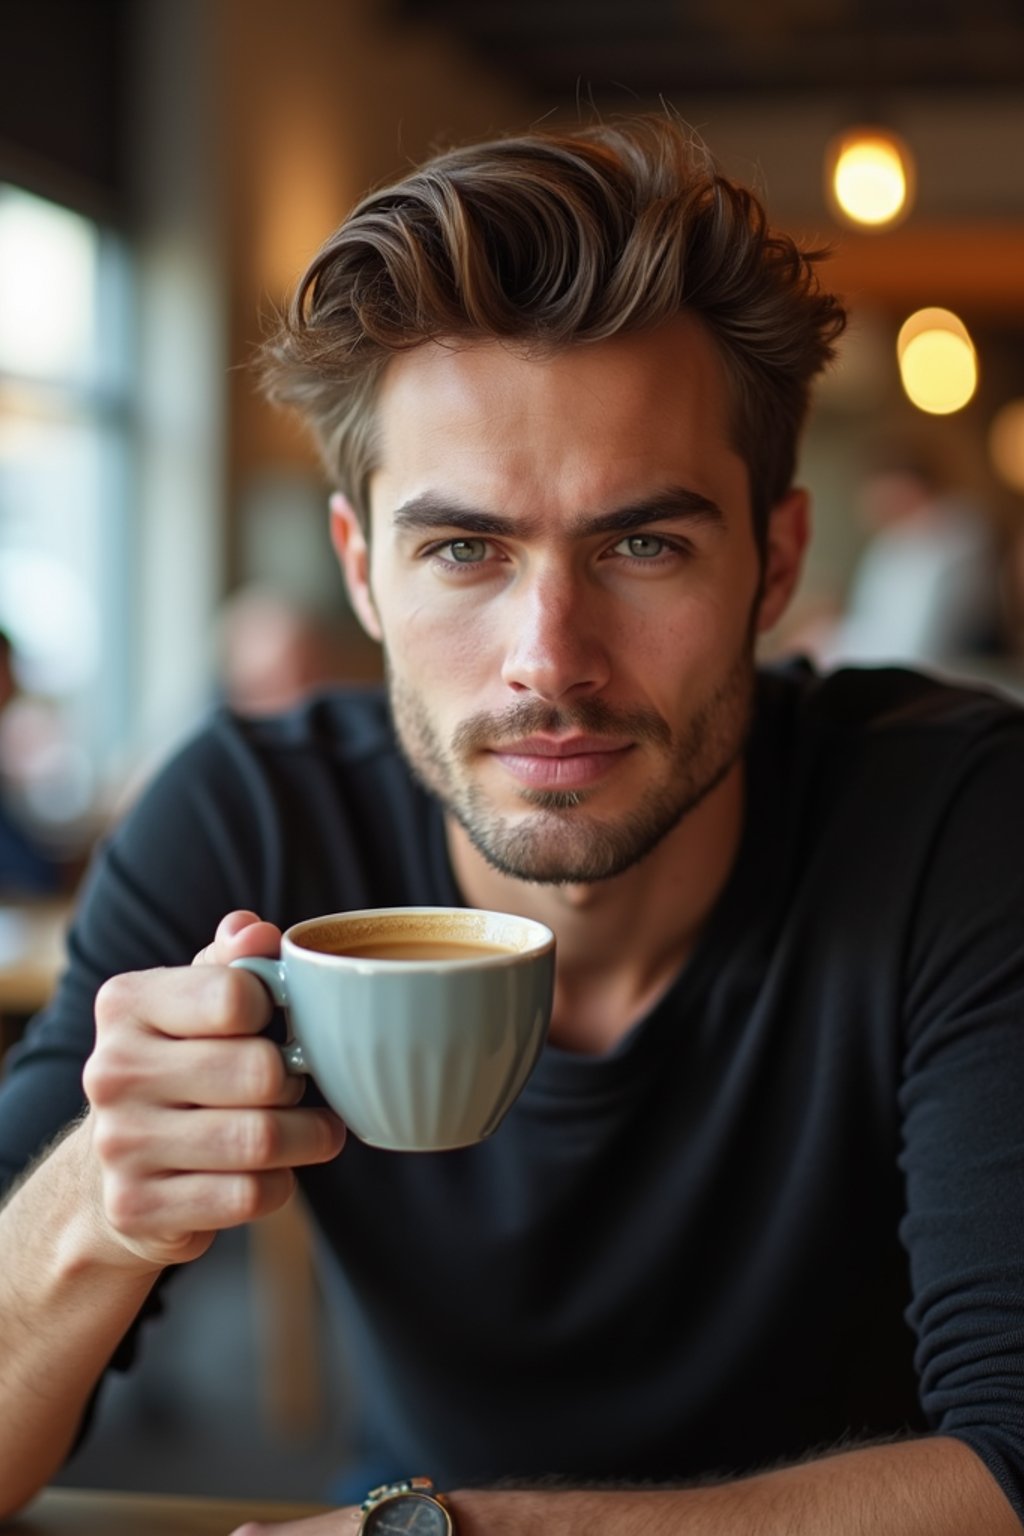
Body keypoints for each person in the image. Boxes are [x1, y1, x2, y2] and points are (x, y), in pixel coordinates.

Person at [0, 115, 1022, 1536]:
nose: (550, 656)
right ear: (363, 572)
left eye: (643, 543)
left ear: (774, 563)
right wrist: (96, 1215)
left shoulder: (961, 823)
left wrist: (463, 1534)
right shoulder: (254, 810)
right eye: (464, 549)